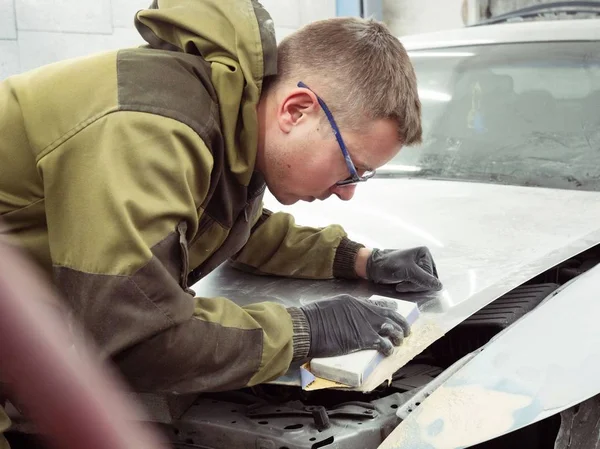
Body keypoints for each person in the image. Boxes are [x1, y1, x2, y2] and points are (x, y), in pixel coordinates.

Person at [0, 1, 442, 445]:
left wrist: (362, 260)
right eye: (351, 166)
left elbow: (228, 227)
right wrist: (307, 330)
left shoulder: (226, 122)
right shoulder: (151, 130)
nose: (348, 191)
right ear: (297, 110)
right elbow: (136, 335)